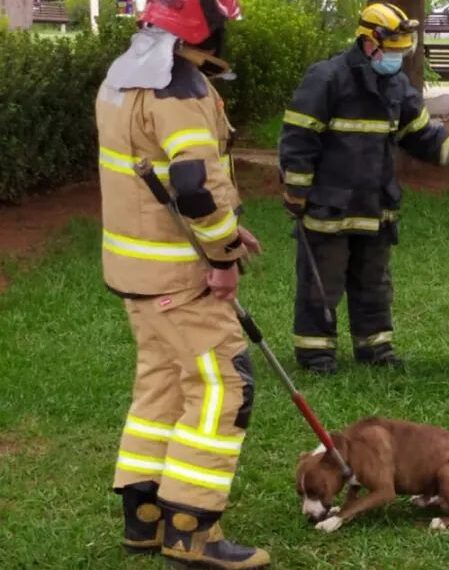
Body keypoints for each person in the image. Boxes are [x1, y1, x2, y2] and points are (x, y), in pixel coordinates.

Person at [96, 0, 269, 567]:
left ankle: (144, 518)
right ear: (204, 26)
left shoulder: (122, 79)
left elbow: (162, 183)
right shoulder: (180, 88)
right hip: (180, 275)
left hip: (137, 272)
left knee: (162, 387)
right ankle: (192, 530)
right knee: (225, 387)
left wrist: (226, 232)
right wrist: (221, 258)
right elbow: (194, 185)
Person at [279, 2, 449, 375]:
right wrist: (296, 191)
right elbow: (299, 137)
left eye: (401, 51)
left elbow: (421, 134)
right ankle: (316, 354)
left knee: (374, 282)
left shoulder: (396, 86)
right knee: (321, 284)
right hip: (330, 207)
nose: (396, 57)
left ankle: (375, 349)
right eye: (392, 50)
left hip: (376, 205)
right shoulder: (326, 79)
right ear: (368, 41)